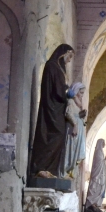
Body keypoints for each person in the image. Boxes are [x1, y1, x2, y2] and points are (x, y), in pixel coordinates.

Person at [27, 44, 74, 180]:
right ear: (63, 53)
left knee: (59, 135)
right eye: (69, 56)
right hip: (51, 107)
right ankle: (41, 168)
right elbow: (58, 90)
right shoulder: (52, 66)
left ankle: (51, 170)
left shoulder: (59, 68)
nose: (70, 60)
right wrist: (68, 92)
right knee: (53, 134)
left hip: (58, 108)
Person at [63, 82, 87, 178]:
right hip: (72, 130)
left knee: (75, 153)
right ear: (76, 91)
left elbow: (76, 115)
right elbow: (68, 113)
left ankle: (70, 171)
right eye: (80, 93)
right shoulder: (71, 101)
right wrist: (75, 124)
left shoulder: (78, 104)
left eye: (82, 94)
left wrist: (81, 115)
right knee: (70, 151)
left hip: (78, 133)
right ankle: (65, 170)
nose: (81, 96)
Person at [84, 139, 106, 212]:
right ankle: (90, 205)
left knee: (99, 191)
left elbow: (101, 163)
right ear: (100, 143)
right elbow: (98, 164)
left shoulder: (100, 152)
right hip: (97, 176)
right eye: (103, 143)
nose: (104, 144)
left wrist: (105, 160)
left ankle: (94, 205)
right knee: (95, 189)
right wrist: (104, 161)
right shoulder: (98, 152)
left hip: (100, 176)